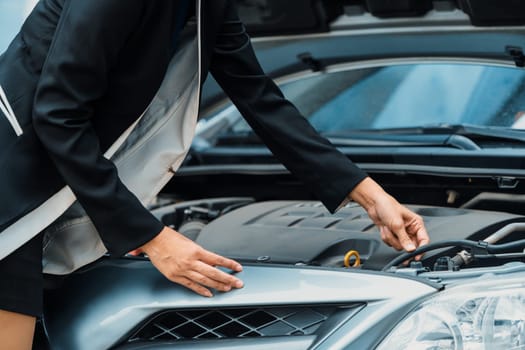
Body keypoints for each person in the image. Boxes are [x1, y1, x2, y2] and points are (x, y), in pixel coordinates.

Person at [0, 0, 429, 348]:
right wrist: (154, 238)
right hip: (12, 196)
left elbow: (258, 95)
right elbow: (57, 114)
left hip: (56, 191)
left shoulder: (208, 5)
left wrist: (370, 196)